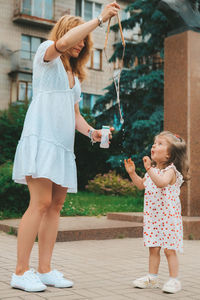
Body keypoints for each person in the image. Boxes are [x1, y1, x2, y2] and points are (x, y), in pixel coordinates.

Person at [10, 2, 120, 293]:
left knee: (55, 206)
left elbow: (75, 117)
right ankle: (20, 272)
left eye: (84, 41)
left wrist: (92, 133)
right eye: (78, 37)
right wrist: (98, 19)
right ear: (65, 34)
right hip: (41, 138)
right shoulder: (47, 52)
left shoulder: (75, 80)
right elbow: (62, 42)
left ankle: (44, 270)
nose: (81, 43)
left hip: (61, 145)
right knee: (40, 202)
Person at [124, 131, 189, 294]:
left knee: (169, 250)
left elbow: (161, 183)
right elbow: (141, 185)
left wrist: (149, 169)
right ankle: (152, 278)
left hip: (168, 218)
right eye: (154, 142)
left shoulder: (171, 171)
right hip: (153, 218)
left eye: (160, 144)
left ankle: (174, 280)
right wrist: (132, 173)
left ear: (170, 154)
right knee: (153, 248)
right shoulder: (151, 171)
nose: (154, 145)